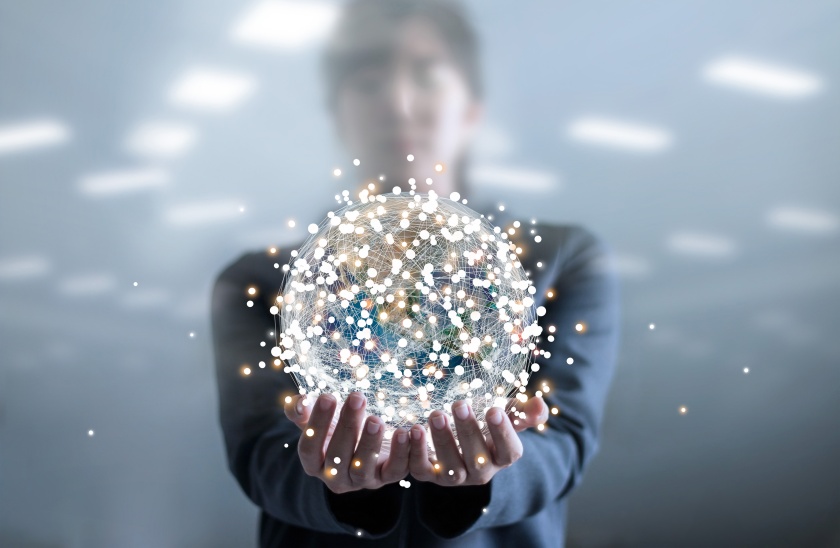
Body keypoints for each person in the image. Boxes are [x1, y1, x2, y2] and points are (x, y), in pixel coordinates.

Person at [211, 0, 620, 546]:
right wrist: (344, 487)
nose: (399, 104)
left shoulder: (564, 260)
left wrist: (483, 480)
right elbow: (262, 453)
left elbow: (563, 441)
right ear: (337, 114)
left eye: (426, 74)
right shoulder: (260, 280)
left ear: (472, 108)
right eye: (368, 82)